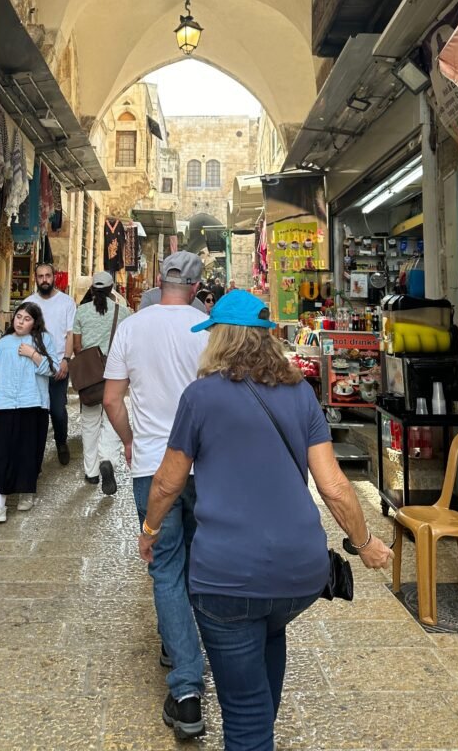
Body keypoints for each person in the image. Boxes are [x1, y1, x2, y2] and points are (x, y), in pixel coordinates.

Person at [138, 290, 392, 751]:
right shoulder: (300, 394)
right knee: (269, 636)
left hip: (228, 579)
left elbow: (166, 484)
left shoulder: (200, 397)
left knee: (245, 716)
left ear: (220, 339)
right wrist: (366, 542)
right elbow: (334, 486)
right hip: (298, 576)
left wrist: (150, 530)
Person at [103, 251, 209, 739]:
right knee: (199, 561)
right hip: (204, 467)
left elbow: (110, 399)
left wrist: (129, 439)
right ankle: (188, 646)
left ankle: (186, 689)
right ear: (194, 284)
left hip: (151, 465)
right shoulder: (208, 326)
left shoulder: (132, 326)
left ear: (160, 280)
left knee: (165, 566)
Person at [0, 303, 58, 523]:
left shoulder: (44, 340)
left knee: (28, 452)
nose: (20, 322)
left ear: (35, 322)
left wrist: (33, 354)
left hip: (33, 404)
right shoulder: (4, 343)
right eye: (18, 317)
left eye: (26, 318)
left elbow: (53, 369)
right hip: (4, 404)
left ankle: (26, 491)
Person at [72, 271, 133, 494]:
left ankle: (91, 472)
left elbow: (77, 346)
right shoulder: (124, 312)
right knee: (113, 415)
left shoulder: (81, 311)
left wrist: (89, 360)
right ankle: (107, 458)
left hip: (90, 371)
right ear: (111, 289)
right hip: (114, 370)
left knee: (89, 421)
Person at [25, 262, 76, 465]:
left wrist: (66, 359)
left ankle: (61, 441)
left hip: (58, 366)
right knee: (37, 411)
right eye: (40, 276)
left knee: (57, 410)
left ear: (54, 277)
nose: (44, 279)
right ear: (35, 279)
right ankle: (34, 452)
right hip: (34, 366)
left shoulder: (66, 302)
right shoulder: (29, 302)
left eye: (48, 275)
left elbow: (71, 333)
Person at [140, 274, 206, 312]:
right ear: (196, 286)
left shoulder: (149, 296)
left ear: (159, 280)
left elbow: (141, 319)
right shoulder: (200, 307)